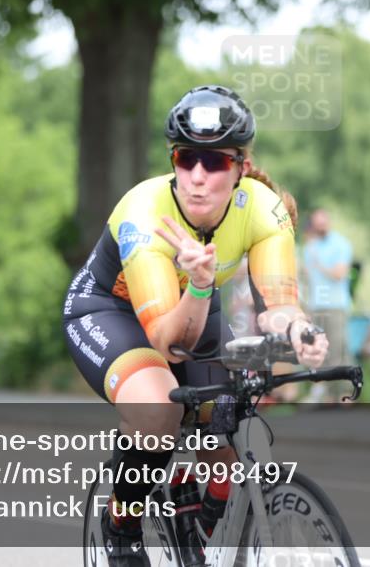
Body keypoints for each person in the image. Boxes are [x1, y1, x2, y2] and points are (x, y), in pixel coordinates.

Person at [63, 85, 329, 567]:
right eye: (187, 159)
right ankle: (121, 525)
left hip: (194, 306)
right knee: (161, 411)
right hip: (110, 312)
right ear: (174, 161)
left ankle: (201, 520)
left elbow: (279, 304)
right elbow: (169, 341)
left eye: (216, 162)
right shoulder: (147, 214)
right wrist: (203, 286)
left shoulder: (264, 210)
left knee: (227, 417)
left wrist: (299, 334)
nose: (199, 176)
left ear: (241, 167)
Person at [301, 209, 353, 403]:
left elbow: (339, 274)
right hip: (316, 305)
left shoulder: (341, 244)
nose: (320, 226)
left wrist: (319, 263)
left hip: (336, 305)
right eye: (317, 223)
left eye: (323, 222)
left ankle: (346, 392)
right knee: (321, 350)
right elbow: (308, 279)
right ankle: (328, 394)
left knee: (339, 349)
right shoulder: (309, 247)